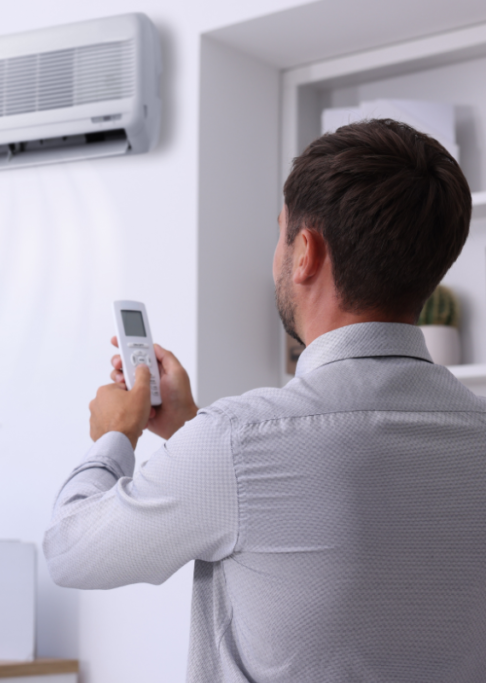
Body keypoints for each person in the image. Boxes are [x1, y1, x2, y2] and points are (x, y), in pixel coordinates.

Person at [43, 119, 486, 681]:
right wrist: (190, 432)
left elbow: (70, 550)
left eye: (280, 233)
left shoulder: (235, 442)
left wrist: (115, 436)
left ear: (305, 251)